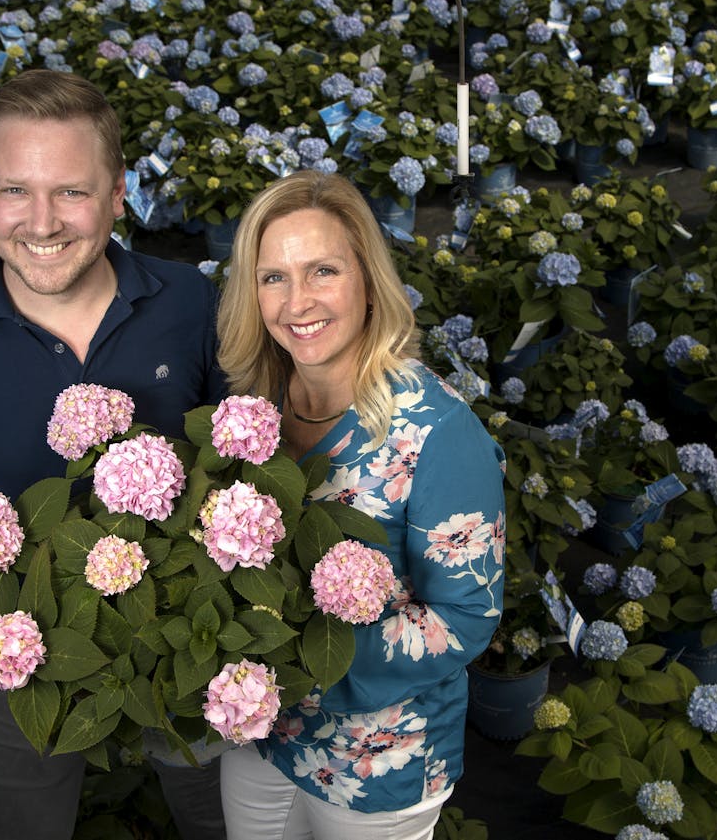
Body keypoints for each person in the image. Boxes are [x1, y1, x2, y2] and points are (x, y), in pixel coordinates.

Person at [0, 69, 227, 840]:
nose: (43, 221)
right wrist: (3, 619)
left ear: (119, 193)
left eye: (72, 191)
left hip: (186, 632)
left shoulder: (192, 302)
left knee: (222, 812)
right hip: (13, 644)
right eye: (15, 190)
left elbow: (251, 456)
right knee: (27, 821)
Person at [215, 170, 506, 839]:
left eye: (323, 270)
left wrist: (295, 655)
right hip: (261, 736)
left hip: (378, 764)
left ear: (368, 281)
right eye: (273, 277)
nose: (298, 301)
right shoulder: (256, 405)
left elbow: (463, 619)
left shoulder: (437, 432)